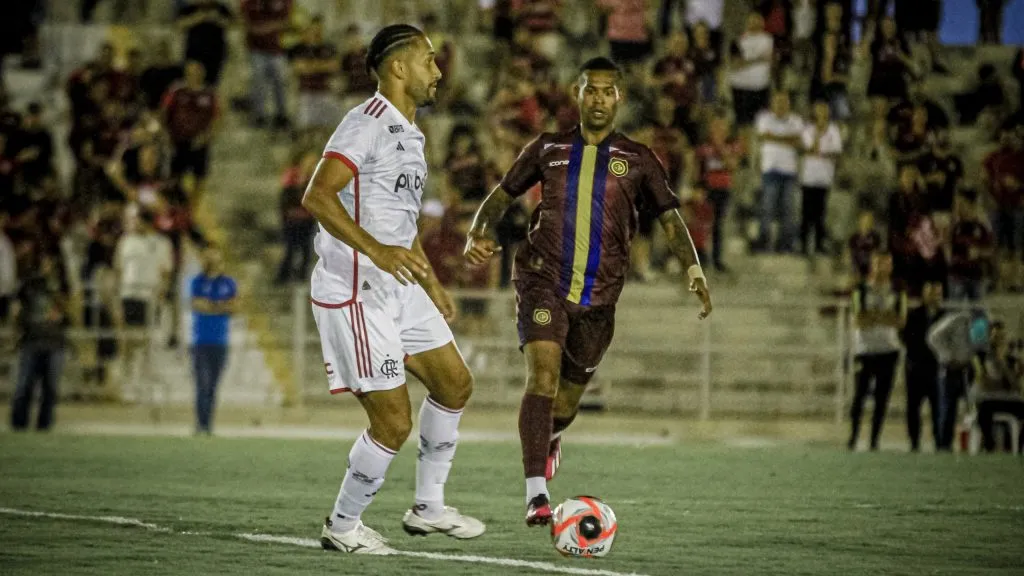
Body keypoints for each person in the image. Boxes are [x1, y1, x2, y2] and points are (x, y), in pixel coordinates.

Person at [463, 57, 712, 526]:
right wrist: (477, 232)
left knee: (566, 401)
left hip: (600, 298)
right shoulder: (548, 148)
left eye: (607, 91)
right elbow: (501, 193)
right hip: (543, 280)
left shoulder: (638, 158)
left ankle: (552, 434)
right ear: (576, 94)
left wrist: (693, 268)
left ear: (619, 98)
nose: (598, 99)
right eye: (590, 90)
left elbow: (670, 218)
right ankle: (535, 494)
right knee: (542, 377)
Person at [299, 24, 485, 555]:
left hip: (399, 287)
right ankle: (343, 525)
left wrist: (430, 280)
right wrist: (377, 253)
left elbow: (398, 227)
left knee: (454, 384)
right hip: (356, 290)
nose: (438, 70)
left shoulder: (413, 133)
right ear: (398, 67)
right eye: (429, 60)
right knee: (392, 420)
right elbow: (317, 196)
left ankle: (428, 508)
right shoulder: (366, 123)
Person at [849, 252, 906, 451]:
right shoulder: (861, 289)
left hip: (888, 350)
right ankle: (853, 437)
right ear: (873, 265)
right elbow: (858, 320)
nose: (883, 267)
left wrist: (873, 316)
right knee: (859, 397)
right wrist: (883, 316)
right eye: (879, 263)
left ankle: (874, 441)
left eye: (887, 263)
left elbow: (900, 321)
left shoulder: (897, 289)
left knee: (882, 399)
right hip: (864, 350)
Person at [9, 252, 69, 431]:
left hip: (55, 342)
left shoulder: (62, 286)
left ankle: (44, 425)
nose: (48, 267)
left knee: (50, 389)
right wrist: (16, 331)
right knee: (24, 386)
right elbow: (16, 308)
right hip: (31, 341)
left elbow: (70, 312)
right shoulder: (30, 284)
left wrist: (61, 301)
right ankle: (19, 425)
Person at [927, 306, 990, 451]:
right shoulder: (956, 320)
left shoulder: (982, 325)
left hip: (968, 369)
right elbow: (933, 337)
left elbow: (980, 347)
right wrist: (948, 356)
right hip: (950, 369)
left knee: (974, 408)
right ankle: (944, 446)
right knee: (948, 409)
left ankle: (978, 446)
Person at [190, 246, 236, 435]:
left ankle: (207, 424)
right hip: (200, 341)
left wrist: (212, 305)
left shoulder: (228, 282)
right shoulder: (197, 281)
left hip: (220, 341)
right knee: (203, 384)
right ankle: (201, 424)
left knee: (213, 386)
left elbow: (234, 306)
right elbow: (197, 304)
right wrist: (220, 306)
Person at [755, 90, 804, 253]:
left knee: (789, 209)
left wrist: (775, 137)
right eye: (778, 102)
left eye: (784, 102)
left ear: (789, 104)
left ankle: (786, 243)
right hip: (770, 170)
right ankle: (764, 240)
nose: (781, 105)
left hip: (789, 171)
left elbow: (798, 142)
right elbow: (763, 137)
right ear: (772, 103)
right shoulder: (764, 118)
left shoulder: (796, 120)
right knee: (767, 207)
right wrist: (787, 139)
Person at [161, 60, 219, 197]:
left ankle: (193, 207)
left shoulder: (210, 94)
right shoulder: (176, 91)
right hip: (178, 139)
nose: (194, 75)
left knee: (199, 177)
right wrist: (166, 134)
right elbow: (164, 111)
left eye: (197, 72)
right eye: (191, 72)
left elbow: (217, 118)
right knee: (175, 175)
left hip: (199, 142)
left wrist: (207, 137)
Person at [901, 280, 943, 452]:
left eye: (937, 293)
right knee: (913, 407)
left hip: (935, 368)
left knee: (937, 408)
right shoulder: (913, 315)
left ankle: (939, 442)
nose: (934, 296)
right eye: (931, 292)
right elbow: (905, 337)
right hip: (916, 367)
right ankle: (914, 442)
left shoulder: (944, 316)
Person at [799, 99, 843, 256]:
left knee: (821, 213)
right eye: (819, 111)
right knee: (806, 213)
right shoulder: (807, 129)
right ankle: (803, 245)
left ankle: (818, 244)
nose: (822, 114)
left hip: (825, 177)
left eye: (824, 111)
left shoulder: (834, 129)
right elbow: (810, 150)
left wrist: (822, 153)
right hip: (809, 177)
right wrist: (818, 135)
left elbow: (836, 152)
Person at [241, 0, 292, 129]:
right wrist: (270, 26)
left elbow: (286, 21)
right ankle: (259, 115)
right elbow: (246, 23)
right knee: (259, 81)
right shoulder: (250, 2)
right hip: (256, 49)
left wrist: (264, 27)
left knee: (280, 81)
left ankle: (281, 114)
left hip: (276, 48)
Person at [974, 321, 1024, 452]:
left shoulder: (1012, 359)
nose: (998, 341)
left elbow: (1015, 386)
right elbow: (987, 383)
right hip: (989, 399)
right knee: (983, 412)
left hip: (1009, 399)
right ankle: (989, 446)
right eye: (995, 337)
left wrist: (1003, 364)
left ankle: (1017, 447)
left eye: (1001, 337)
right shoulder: (982, 357)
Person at [289, 17, 339, 133]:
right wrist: (321, 65)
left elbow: (334, 66)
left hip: (324, 91)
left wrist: (311, 66)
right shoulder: (299, 49)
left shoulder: (327, 47)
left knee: (329, 125)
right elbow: (300, 68)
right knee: (305, 127)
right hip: (306, 92)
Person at [176, 0, 233, 86]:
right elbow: (179, 25)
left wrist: (216, 19)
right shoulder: (191, 9)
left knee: (212, 83)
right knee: (192, 81)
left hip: (215, 52)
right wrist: (198, 18)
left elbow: (232, 24)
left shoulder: (220, 8)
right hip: (194, 52)